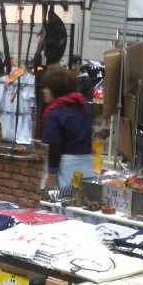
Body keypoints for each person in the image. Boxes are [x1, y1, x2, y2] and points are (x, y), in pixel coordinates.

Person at [40, 64, 94, 193]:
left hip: (65, 172)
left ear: (56, 89)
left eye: (47, 87)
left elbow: (54, 151)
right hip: (87, 169)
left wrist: (50, 185)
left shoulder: (55, 114)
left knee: (61, 204)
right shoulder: (85, 109)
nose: (44, 91)